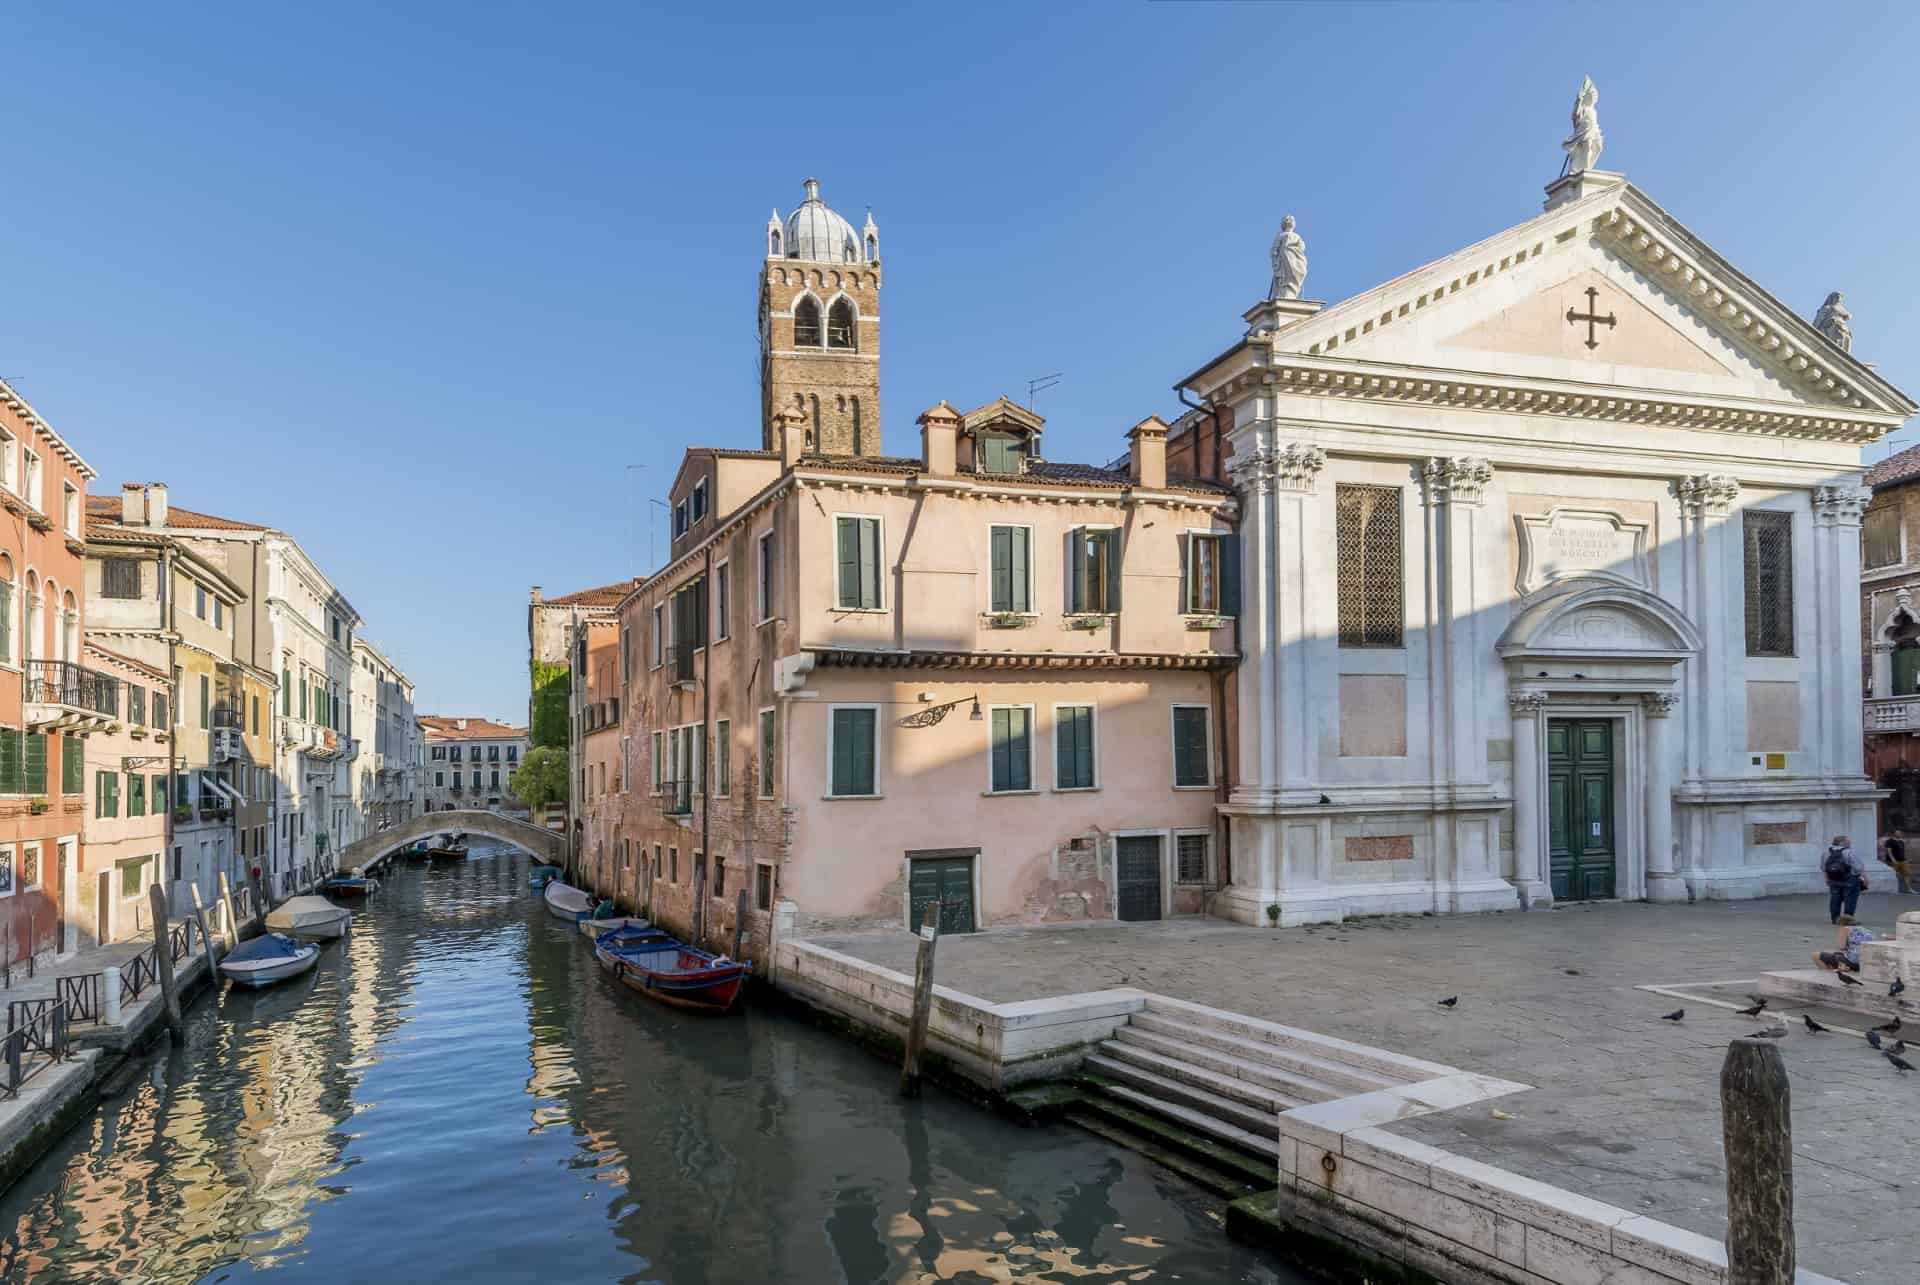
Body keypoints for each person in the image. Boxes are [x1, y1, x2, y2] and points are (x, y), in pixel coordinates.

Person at [1821, 835, 1867, 923]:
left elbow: (1824, 868)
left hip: (1833, 880)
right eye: (1848, 841)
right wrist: (1865, 879)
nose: (1850, 843)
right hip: (1850, 880)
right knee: (1850, 900)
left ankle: (1835, 919)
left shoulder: (1826, 853)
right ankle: (1847, 920)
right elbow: (1859, 868)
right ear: (1842, 843)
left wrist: (1826, 879)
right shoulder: (1849, 852)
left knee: (1835, 900)